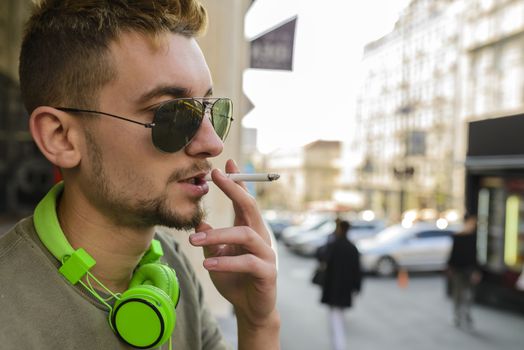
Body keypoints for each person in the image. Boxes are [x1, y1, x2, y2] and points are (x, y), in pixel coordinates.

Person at [0, 1, 279, 349]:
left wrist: (257, 321)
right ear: (60, 137)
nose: (211, 144)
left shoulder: (171, 267)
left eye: (213, 111)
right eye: (172, 114)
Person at [316, 220, 362, 350]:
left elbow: (320, 255)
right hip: (345, 290)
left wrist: (330, 238)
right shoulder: (352, 248)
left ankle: (338, 346)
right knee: (339, 317)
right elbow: (358, 271)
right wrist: (357, 288)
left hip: (333, 289)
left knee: (335, 319)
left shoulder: (333, 245)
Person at [446, 213, 481, 329]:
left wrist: (476, 271)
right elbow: (453, 255)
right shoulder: (458, 236)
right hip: (458, 270)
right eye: (471, 222)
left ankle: (467, 315)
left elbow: (475, 256)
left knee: (469, 294)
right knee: (458, 294)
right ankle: (457, 316)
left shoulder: (474, 237)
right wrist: (450, 268)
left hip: (470, 270)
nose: (473, 225)